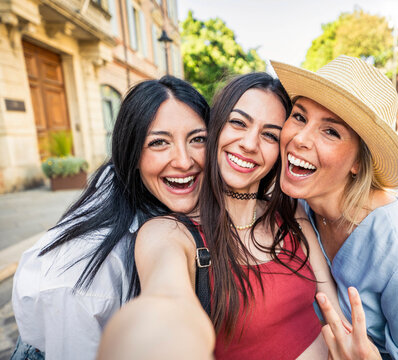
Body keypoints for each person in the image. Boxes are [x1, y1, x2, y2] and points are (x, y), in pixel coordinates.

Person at [98, 72, 344, 360]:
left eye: (269, 135)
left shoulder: (290, 213)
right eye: (238, 123)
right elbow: (166, 299)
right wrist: (150, 336)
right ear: (215, 128)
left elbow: (333, 313)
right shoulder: (170, 233)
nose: (250, 144)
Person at [272, 55, 398, 359]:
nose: (299, 138)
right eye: (299, 116)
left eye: (331, 131)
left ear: (359, 162)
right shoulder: (303, 201)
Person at [11, 76, 210, 360]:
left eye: (198, 139)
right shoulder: (85, 282)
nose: (183, 160)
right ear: (131, 153)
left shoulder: (137, 185)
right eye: (159, 142)